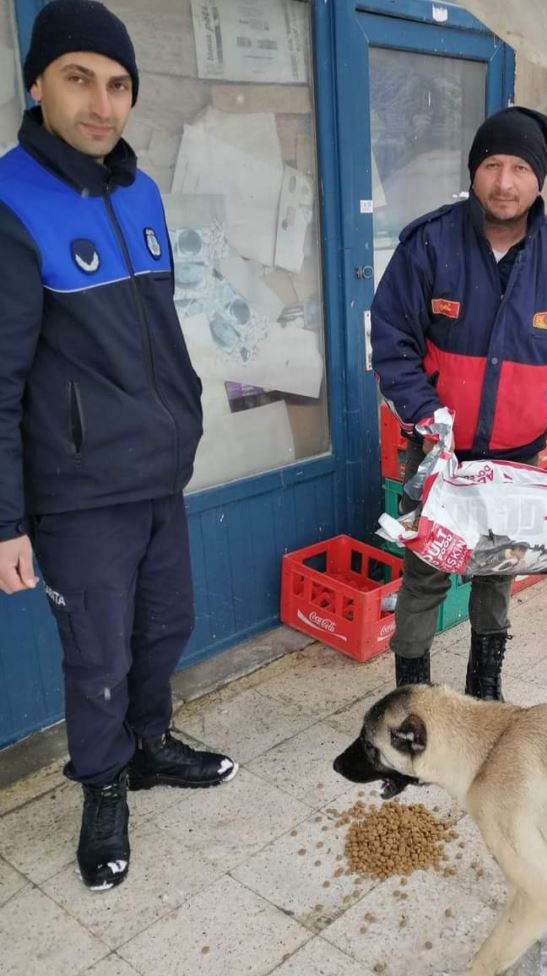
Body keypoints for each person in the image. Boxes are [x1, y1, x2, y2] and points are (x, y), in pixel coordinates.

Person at [0, 0, 236, 892]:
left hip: (156, 471)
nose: (101, 103)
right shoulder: (11, 201)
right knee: (96, 657)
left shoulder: (140, 193)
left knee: (165, 624)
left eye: (118, 84)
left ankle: (146, 747)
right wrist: (5, 519)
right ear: (38, 84)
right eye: (78, 78)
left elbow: (159, 331)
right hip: (76, 491)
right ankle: (102, 787)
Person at [371, 106, 547, 701]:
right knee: (425, 576)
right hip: (439, 456)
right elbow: (392, 341)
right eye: (491, 165)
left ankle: (485, 696)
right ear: (474, 171)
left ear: (538, 180)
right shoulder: (430, 244)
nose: (504, 182)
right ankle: (414, 703)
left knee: (496, 576)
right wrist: (425, 414)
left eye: (518, 168)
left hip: (517, 456)